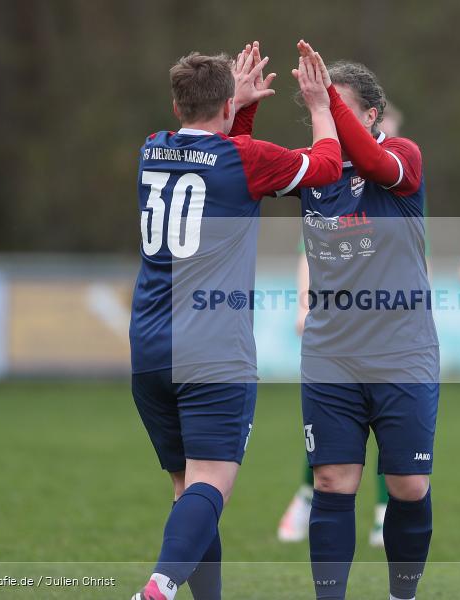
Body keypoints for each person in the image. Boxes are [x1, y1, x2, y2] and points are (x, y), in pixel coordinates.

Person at [129, 44, 342, 600]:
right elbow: (323, 168)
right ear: (225, 105)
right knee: (211, 487)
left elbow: (220, 156)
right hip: (213, 347)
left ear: (177, 105)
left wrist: (236, 109)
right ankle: (158, 585)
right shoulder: (245, 161)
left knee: (188, 494)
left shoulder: (153, 149)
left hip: (150, 346)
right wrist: (320, 106)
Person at [294, 41, 438, 600]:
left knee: (406, 485)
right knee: (333, 482)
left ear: (373, 115)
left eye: (342, 110)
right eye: (321, 111)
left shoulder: (401, 155)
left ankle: (402, 594)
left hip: (403, 351)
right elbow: (241, 164)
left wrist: (324, 96)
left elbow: (376, 165)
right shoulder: (314, 173)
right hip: (332, 353)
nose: (327, 120)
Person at [276, 101, 406, 549]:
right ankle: (306, 494)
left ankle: (384, 513)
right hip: (336, 329)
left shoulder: (396, 184)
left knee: (388, 427)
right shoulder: (329, 185)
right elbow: (306, 253)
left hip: (386, 331)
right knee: (335, 430)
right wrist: (302, 304)